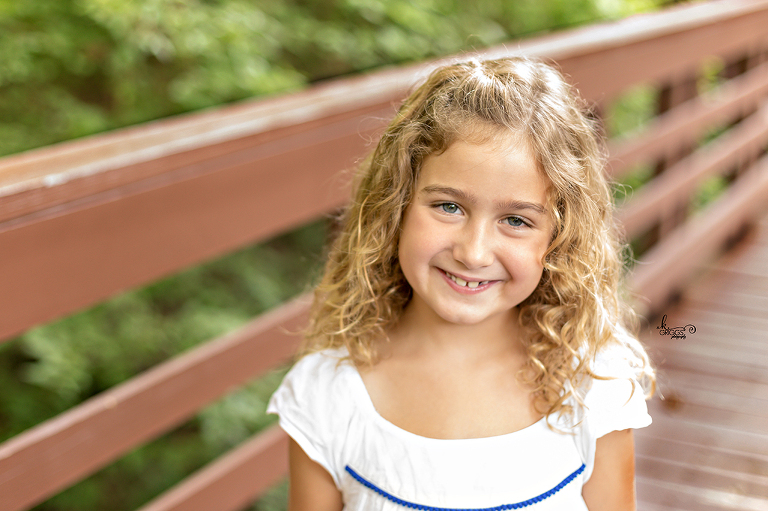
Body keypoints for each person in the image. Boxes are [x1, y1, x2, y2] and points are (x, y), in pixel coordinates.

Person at [268, 56, 655, 511]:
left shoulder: (593, 384)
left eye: (515, 220)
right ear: (396, 206)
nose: (473, 252)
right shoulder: (329, 395)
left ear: (560, 237)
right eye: (449, 207)